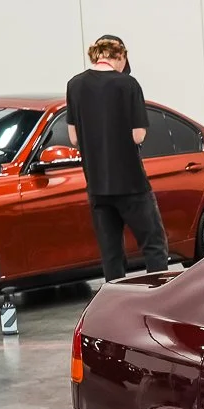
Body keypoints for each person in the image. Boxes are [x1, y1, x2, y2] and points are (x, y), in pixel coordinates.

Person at [64, 34, 169, 281]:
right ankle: (158, 296)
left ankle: (115, 300)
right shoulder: (128, 84)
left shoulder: (74, 85)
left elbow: (74, 138)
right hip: (131, 183)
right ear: (119, 55)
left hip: (97, 185)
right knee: (153, 244)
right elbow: (138, 135)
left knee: (111, 255)